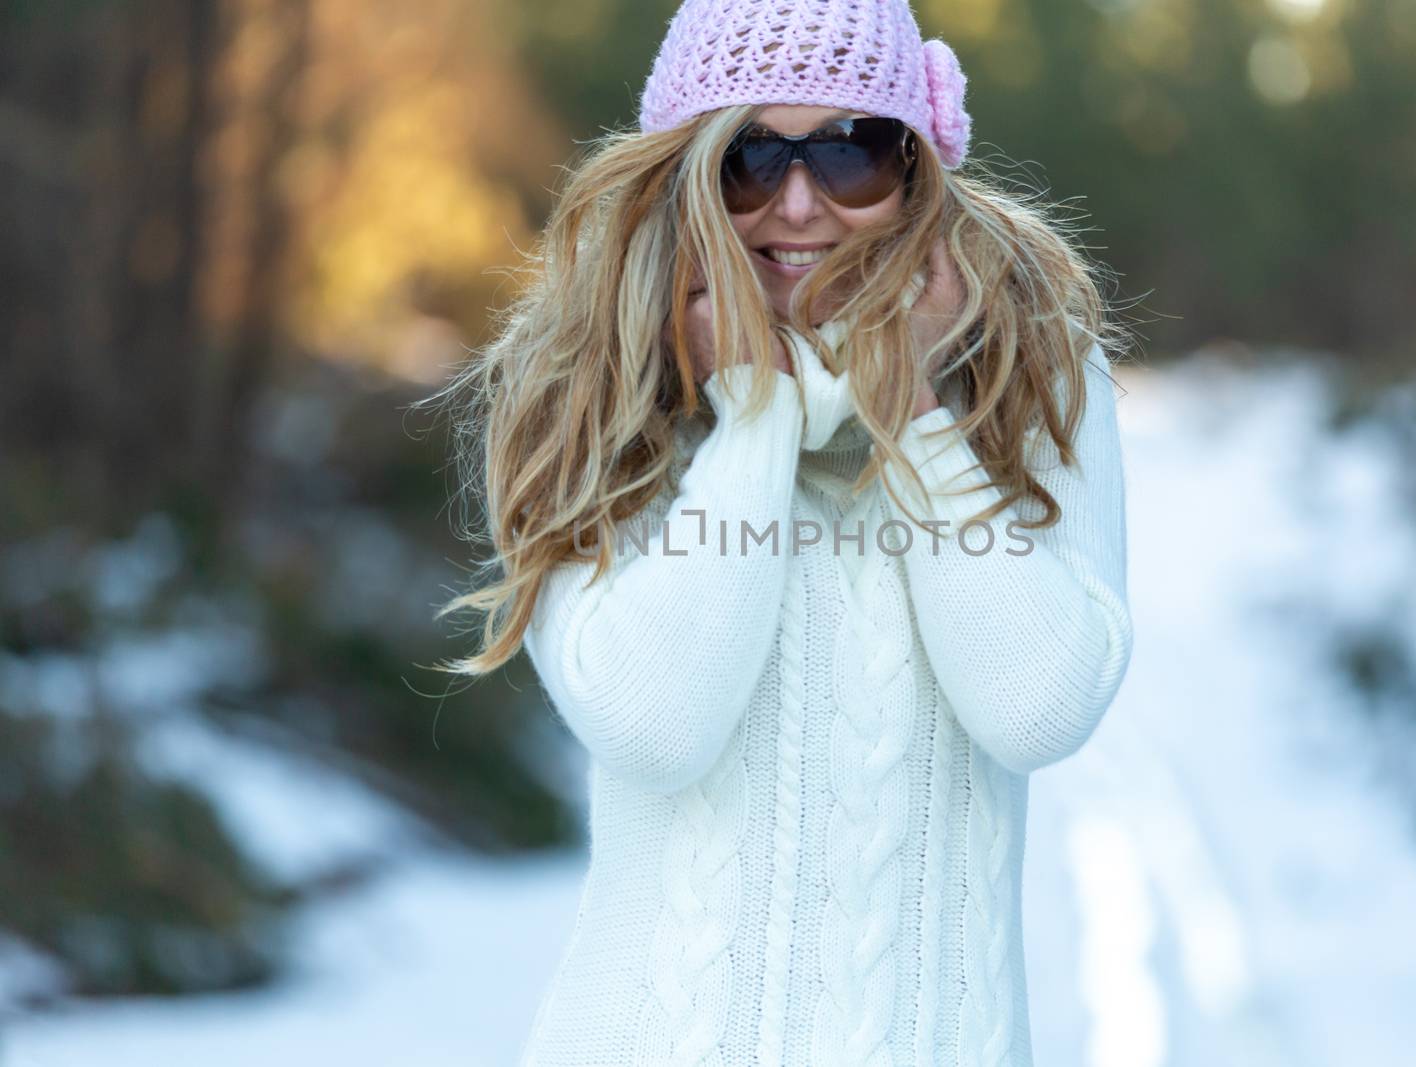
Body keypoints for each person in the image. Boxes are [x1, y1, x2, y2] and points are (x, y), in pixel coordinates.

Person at [433, 1, 1136, 1063]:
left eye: (850, 153)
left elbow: (1037, 704)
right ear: (683, 173)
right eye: (749, 160)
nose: (798, 206)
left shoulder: (1030, 365)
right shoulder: (591, 385)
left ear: (916, 167)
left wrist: (916, 414)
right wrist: (754, 416)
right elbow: (655, 723)